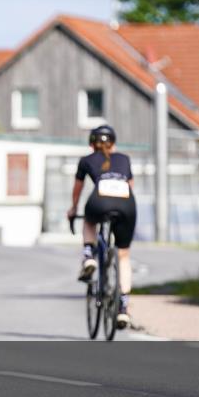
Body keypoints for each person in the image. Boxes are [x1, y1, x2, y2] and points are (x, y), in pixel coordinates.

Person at [67, 124, 137, 329]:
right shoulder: (124, 159)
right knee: (123, 255)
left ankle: (89, 256)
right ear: (114, 144)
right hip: (126, 205)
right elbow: (131, 186)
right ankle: (123, 308)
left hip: (99, 202)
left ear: (92, 145)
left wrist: (73, 209)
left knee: (89, 221)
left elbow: (77, 189)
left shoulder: (87, 160)